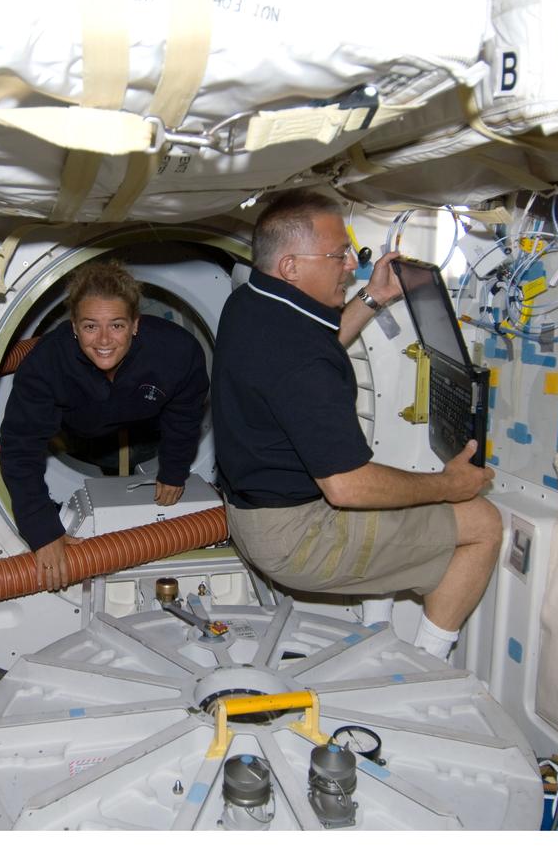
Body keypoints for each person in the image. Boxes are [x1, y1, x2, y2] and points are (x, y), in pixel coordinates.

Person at [211, 190, 501, 660]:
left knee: (385, 484)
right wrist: (448, 485)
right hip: (296, 538)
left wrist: (374, 297)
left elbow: (320, 349)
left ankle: (374, 637)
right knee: (482, 523)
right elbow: (347, 488)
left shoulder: (251, 302)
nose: (350, 264)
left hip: (251, 518)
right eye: (337, 254)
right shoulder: (299, 359)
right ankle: (427, 667)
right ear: (291, 266)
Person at [0, 259, 209, 592]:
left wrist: (174, 469)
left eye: (117, 325)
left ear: (135, 325)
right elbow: (20, 447)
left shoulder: (177, 352)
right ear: (73, 326)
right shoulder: (47, 363)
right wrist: (42, 529)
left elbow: (184, 417)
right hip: (77, 430)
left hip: (145, 424)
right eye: (89, 326)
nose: (104, 340)